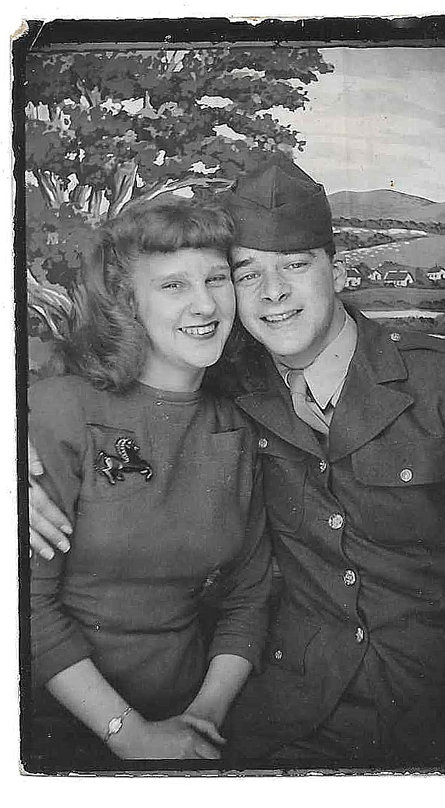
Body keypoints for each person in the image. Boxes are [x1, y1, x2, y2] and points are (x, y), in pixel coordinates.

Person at [29, 161, 445, 771]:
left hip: (439, 705)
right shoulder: (230, 377)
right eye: (248, 274)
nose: (271, 293)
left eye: (295, 265)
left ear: (340, 271)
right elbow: (93, 375)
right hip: (289, 712)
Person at [26, 197, 271, 770]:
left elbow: (250, 597)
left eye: (217, 279)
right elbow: (23, 606)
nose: (206, 303)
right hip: (52, 728)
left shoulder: (237, 425)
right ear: (125, 303)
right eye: (173, 286)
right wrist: (129, 734)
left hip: (190, 720)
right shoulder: (59, 411)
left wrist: (201, 720)